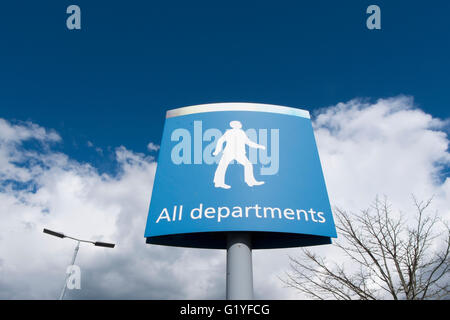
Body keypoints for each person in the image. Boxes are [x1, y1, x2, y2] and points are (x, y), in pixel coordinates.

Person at [212, 120, 265, 189]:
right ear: (234, 125)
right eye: (238, 124)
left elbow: (248, 142)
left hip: (239, 153)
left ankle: (250, 181)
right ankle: (219, 183)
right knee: (222, 166)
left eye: (239, 124)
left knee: (248, 165)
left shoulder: (242, 133)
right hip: (229, 152)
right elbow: (220, 140)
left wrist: (259, 146)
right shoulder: (229, 132)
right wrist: (217, 151)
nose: (240, 124)